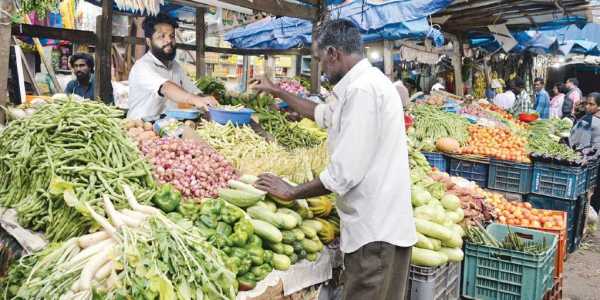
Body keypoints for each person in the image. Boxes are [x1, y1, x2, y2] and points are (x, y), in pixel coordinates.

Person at [250, 19, 416, 300]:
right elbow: (321, 114)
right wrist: (278, 91)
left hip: (374, 234)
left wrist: (291, 192)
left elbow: (343, 174)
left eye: (319, 61)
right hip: (381, 230)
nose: (321, 69)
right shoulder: (365, 84)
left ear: (333, 53)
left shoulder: (362, 92)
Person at [127, 13, 217, 119]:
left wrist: (205, 98)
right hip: (140, 128)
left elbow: (192, 90)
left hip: (166, 127)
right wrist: (194, 99)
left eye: (172, 36)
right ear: (149, 41)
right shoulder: (142, 67)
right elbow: (165, 87)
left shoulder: (175, 66)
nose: (169, 40)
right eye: (161, 36)